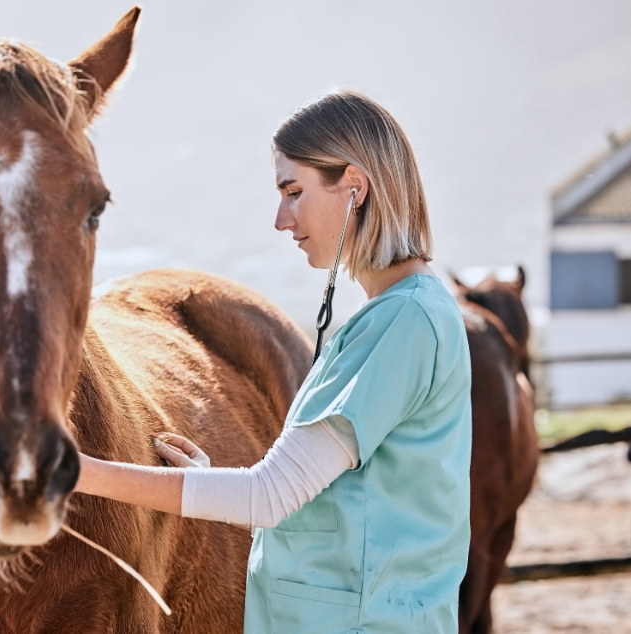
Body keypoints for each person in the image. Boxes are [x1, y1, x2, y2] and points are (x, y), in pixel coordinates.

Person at [75, 90, 472, 633]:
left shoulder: (402, 324)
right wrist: (207, 481)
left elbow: (269, 496)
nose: (281, 219)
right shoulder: (401, 314)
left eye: (294, 191)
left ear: (354, 187)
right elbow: (341, 496)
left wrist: (76, 473)